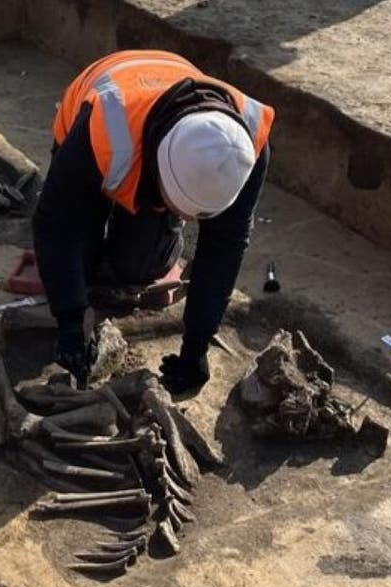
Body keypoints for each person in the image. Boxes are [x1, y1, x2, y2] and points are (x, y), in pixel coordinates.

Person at [32, 50, 274, 394]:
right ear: (158, 166)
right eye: (182, 207)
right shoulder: (103, 127)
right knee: (77, 257)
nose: (190, 220)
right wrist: (69, 318)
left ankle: (126, 249)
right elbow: (56, 223)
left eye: (197, 215)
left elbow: (225, 247)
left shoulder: (246, 147)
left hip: (154, 127)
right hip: (97, 108)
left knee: (140, 266)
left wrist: (196, 346)